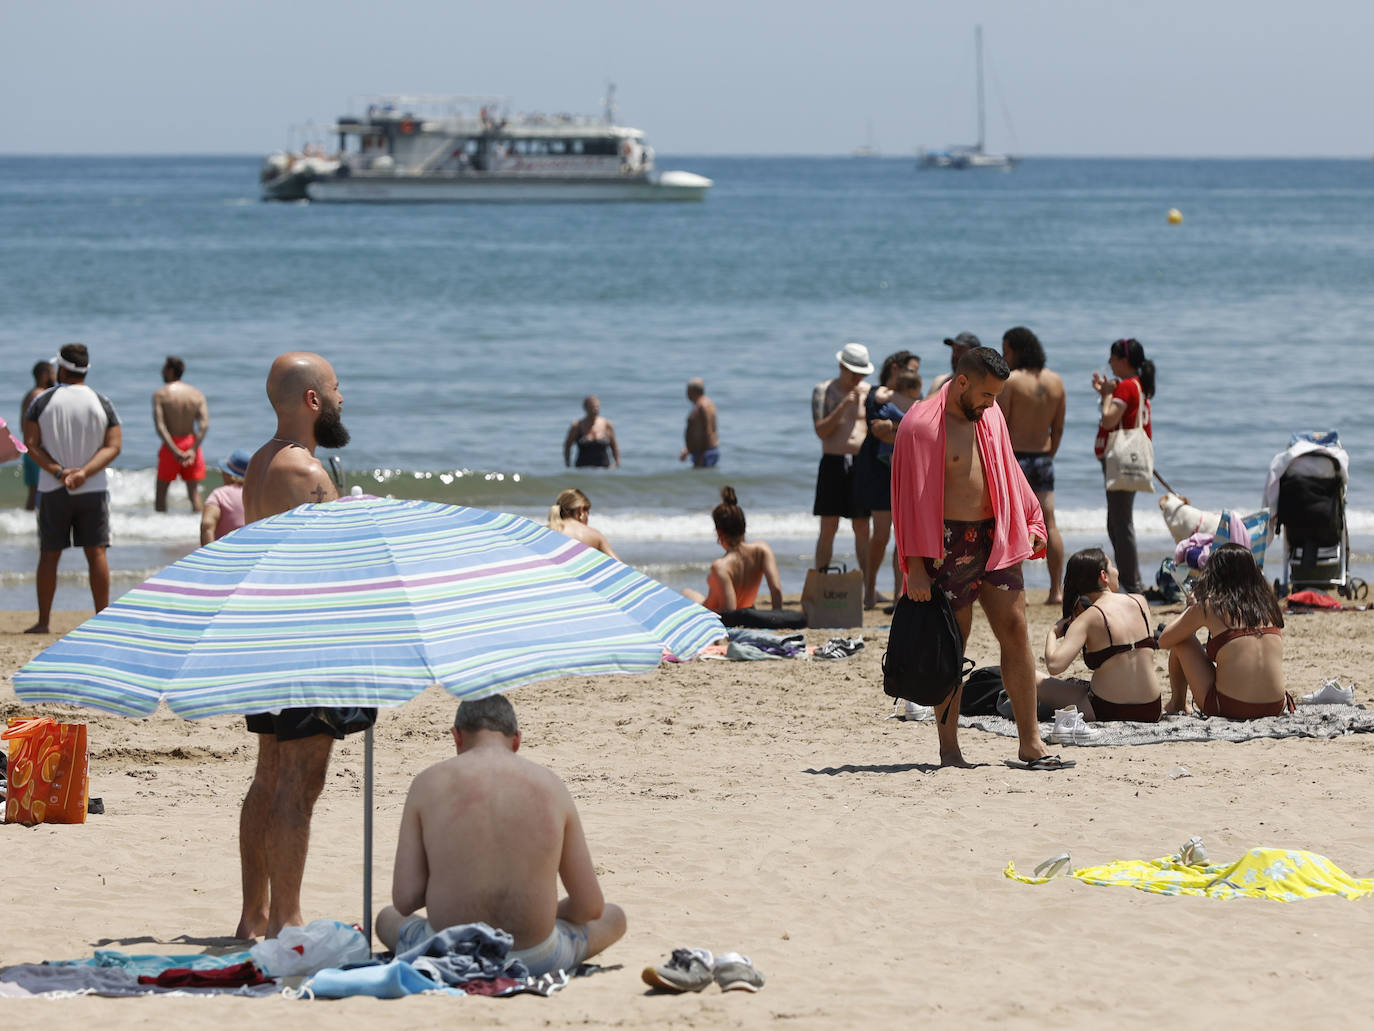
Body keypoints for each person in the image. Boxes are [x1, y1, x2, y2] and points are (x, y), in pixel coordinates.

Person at [235, 351, 376, 940]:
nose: (343, 399)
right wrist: (359, 522)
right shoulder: (307, 474)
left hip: (263, 637)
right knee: (300, 779)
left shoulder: (259, 465)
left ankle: (255, 915)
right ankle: (287, 922)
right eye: (336, 390)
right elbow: (329, 570)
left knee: (269, 775)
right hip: (305, 642)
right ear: (313, 401)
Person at [891, 346, 1061, 769]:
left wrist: (1031, 519)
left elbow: (1008, 471)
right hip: (946, 543)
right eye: (986, 395)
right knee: (953, 644)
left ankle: (1030, 743)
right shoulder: (920, 425)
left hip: (997, 535)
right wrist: (914, 566)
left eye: (996, 398)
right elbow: (906, 500)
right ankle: (949, 749)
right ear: (962, 382)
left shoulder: (990, 416)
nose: (991, 405)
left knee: (1016, 631)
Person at [376, 695, 626, 974]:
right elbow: (590, 907)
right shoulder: (551, 785)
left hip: (447, 951)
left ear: (457, 736)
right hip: (535, 956)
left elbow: (405, 899)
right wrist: (539, 911)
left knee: (387, 917)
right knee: (615, 917)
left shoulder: (426, 783)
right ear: (517, 740)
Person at [21, 344, 122, 634]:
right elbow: (114, 445)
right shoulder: (101, 401)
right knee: (97, 553)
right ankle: (102, 618)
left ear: (63, 368)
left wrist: (59, 471)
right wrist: (84, 473)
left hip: (54, 489)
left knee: (50, 554)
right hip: (93, 489)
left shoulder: (42, 402)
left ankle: (43, 621)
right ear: (86, 370)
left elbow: (32, 444)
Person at [1159, 543, 1290, 718]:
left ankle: (1177, 703)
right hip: (1276, 706)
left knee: (1183, 641)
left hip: (1230, 707)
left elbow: (1165, 640)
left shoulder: (1211, 606)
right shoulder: (1267, 604)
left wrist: (1190, 607)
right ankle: (1177, 703)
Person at [1039, 548, 1162, 722]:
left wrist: (1052, 633)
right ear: (1104, 576)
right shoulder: (1140, 602)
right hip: (1152, 708)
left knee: (1031, 677)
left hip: (1108, 710)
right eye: (1113, 566)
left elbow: (1054, 665)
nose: (1116, 571)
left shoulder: (1087, 620)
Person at [999, 327, 1067, 605]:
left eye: (1006, 351)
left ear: (1016, 350)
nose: (1004, 357)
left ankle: (1021, 591)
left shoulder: (1012, 381)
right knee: (1048, 523)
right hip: (1043, 457)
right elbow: (1058, 428)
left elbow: (1000, 424)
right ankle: (1055, 590)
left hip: (1015, 458)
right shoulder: (1056, 381)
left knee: (1014, 523)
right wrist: (1049, 453)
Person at [1093, 338, 1155, 594]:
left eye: (1113, 358)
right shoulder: (1135, 385)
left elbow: (1109, 420)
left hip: (1121, 461)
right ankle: (1130, 581)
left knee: (1120, 523)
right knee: (1117, 521)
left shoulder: (1127, 386)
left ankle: (1132, 584)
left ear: (1124, 361)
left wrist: (1108, 394)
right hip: (1126, 460)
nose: (1109, 362)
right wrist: (1105, 393)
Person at [858, 351, 919, 609]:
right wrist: (901, 432)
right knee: (881, 534)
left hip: (907, 471)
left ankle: (898, 593)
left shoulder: (916, 401)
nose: (914, 376)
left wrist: (898, 432)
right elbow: (879, 432)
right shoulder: (877, 395)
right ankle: (870, 588)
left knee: (902, 537)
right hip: (880, 472)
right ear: (896, 370)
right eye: (911, 370)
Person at [812, 342, 872, 574]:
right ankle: (822, 579)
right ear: (841, 367)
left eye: (861, 374)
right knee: (828, 526)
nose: (857, 378)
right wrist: (842, 407)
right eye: (853, 373)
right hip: (833, 461)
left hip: (860, 464)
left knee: (862, 527)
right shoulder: (824, 391)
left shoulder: (869, 391)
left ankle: (868, 586)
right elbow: (820, 431)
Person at [682, 487, 783, 613]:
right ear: (744, 526)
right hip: (747, 607)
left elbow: (730, 611)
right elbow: (776, 589)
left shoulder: (721, 566)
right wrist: (777, 618)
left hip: (711, 611)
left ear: (719, 533)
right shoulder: (762, 549)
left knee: (686, 592)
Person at [152, 356, 210, 513]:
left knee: (161, 492)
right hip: (191, 444)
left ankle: (159, 528)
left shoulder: (161, 394)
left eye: (164, 370)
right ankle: (196, 528)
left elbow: (161, 426)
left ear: (170, 371)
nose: (162, 373)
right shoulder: (196, 394)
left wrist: (174, 451)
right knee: (193, 492)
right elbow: (204, 425)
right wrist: (192, 449)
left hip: (171, 445)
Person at [20, 359, 55, 511]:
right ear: (45, 375)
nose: (55, 377)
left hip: (29, 448)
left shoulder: (30, 394)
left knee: (34, 492)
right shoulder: (39, 395)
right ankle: (38, 526)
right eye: (53, 373)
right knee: (41, 492)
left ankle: (29, 524)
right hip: (37, 449)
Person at [547, 488, 619, 559]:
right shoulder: (595, 535)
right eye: (588, 512)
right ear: (580, 510)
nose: (588, 517)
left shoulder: (545, 532)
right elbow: (619, 565)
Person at [199, 448, 251, 545]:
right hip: (250, 552)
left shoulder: (220, 494)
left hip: (224, 553)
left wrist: (209, 554)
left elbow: (206, 525)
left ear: (229, 474)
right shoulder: (256, 494)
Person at [563, 396, 619, 469]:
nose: (595, 409)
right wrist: (567, 462)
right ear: (585, 408)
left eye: (597, 406)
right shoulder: (577, 426)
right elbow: (568, 445)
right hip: (582, 468)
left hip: (604, 469)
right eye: (592, 406)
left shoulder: (607, 424)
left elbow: (614, 445)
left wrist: (617, 462)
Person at [679, 378, 719, 468]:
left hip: (705, 452)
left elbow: (707, 431)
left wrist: (702, 455)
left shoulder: (702, 406)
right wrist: (688, 450)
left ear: (693, 391)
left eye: (688, 391)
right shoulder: (707, 404)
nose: (686, 394)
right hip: (705, 450)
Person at [925, 331, 978, 396]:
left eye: (960, 350)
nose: (954, 355)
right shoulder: (939, 382)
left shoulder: (983, 387)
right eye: (954, 350)